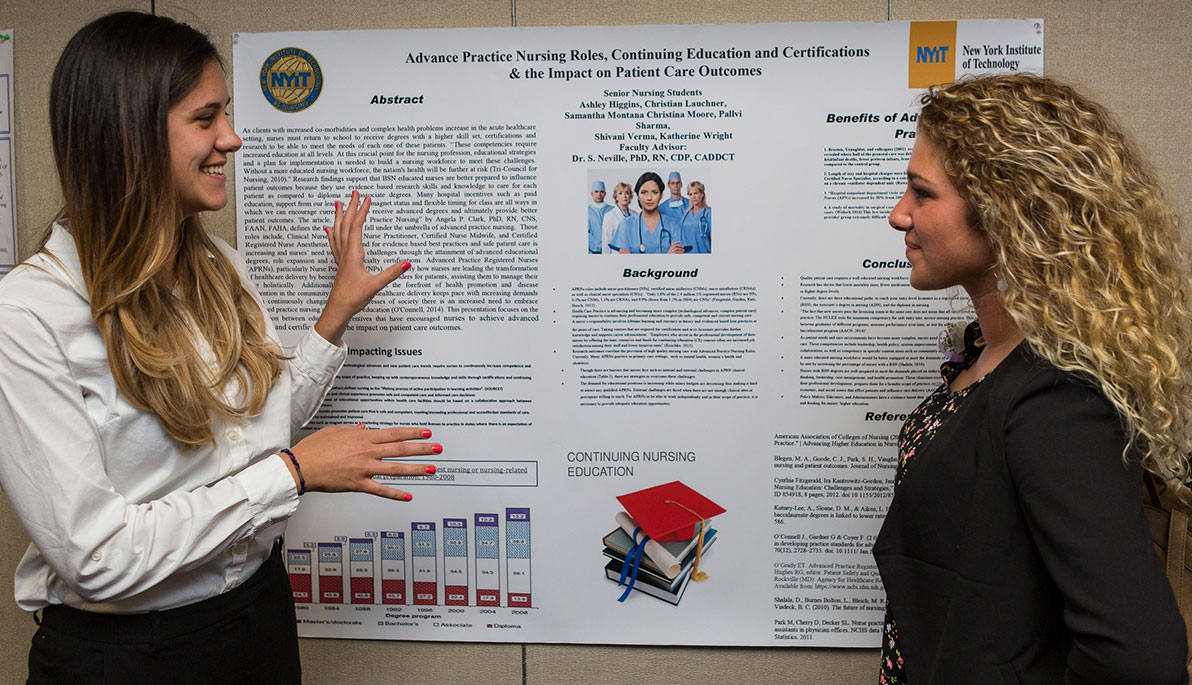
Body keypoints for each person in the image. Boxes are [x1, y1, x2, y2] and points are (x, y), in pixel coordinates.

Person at [0, 12, 439, 682]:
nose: (230, 139)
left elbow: (255, 434)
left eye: (225, 114)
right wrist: (291, 474)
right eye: (206, 119)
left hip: (258, 615)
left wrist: (334, 318)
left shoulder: (220, 268)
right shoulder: (30, 314)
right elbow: (94, 553)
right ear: (130, 137)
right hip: (130, 658)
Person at [873, 73, 1192, 684]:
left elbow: (1139, 660)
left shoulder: (1056, 399)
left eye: (922, 193)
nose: (898, 215)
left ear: (1010, 211)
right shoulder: (990, 360)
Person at [610, 172, 687, 254]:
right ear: (638, 196)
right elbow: (625, 262)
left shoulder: (673, 224)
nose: (649, 198)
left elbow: (678, 261)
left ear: (661, 195)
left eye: (654, 192)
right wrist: (667, 257)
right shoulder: (626, 225)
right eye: (644, 193)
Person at [601, 182, 636, 254]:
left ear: (630, 196)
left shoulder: (635, 215)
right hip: (616, 256)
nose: (624, 196)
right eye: (620, 193)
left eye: (627, 193)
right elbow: (606, 242)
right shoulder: (610, 216)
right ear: (616, 197)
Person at [677, 181, 711, 254]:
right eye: (690, 194)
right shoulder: (685, 214)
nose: (693, 197)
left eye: (696, 193)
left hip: (703, 254)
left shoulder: (708, 213)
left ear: (702, 194)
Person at [587, 180, 614, 254]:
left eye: (601, 192)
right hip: (592, 252)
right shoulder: (586, 211)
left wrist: (608, 247)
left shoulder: (613, 210)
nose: (599, 194)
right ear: (592, 194)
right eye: (596, 191)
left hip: (611, 251)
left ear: (605, 194)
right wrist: (600, 246)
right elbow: (585, 234)